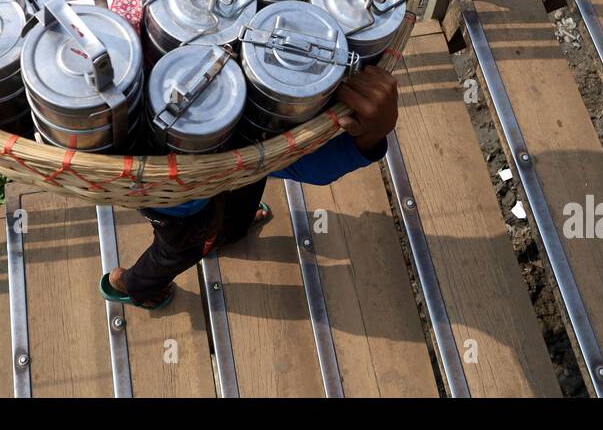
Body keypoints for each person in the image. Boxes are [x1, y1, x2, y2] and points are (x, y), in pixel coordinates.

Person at [101, 66, 399, 310]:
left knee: (239, 208)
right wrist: (372, 134)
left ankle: (228, 233)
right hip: (182, 212)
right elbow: (307, 165)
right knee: (178, 251)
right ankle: (136, 286)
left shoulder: (248, 132)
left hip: (241, 174)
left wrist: (372, 133)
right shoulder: (151, 144)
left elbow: (304, 161)